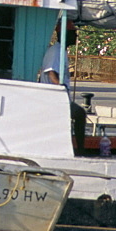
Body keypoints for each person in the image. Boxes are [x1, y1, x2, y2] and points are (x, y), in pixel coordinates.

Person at [40, 23, 87, 153]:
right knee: (79, 114)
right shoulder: (56, 51)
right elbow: (51, 72)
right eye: (73, 33)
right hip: (53, 98)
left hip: (57, 97)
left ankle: (76, 148)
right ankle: (80, 150)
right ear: (65, 35)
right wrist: (60, 88)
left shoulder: (61, 50)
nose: (76, 36)